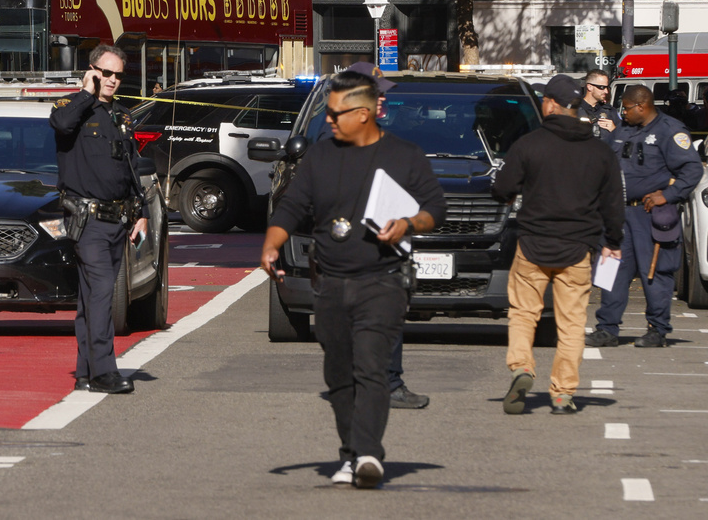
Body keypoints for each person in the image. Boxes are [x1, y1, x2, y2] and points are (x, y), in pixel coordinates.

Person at [260, 68, 446, 489]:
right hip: (330, 283)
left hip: (381, 281)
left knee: (371, 368)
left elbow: (437, 208)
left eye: (335, 113)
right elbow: (291, 209)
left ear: (363, 114)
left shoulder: (404, 155)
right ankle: (350, 450)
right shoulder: (321, 156)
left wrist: (409, 223)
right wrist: (272, 243)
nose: (328, 120)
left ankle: (368, 455)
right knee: (339, 376)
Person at [491, 75, 624, 415]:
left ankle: (522, 367)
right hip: (578, 248)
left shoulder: (529, 144)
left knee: (523, 314)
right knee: (571, 323)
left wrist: (512, 192)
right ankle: (563, 394)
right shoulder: (599, 151)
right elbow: (613, 203)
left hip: (533, 244)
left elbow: (503, 188)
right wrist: (613, 241)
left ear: (549, 103)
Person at [50, 45, 149, 395]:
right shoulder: (71, 107)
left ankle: (85, 370)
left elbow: (130, 169)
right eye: (106, 73)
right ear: (91, 71)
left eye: (118, 75)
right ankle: (105, 371)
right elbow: (61, 125)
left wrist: (141, 213)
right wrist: (85, 92)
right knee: (103, 292)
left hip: (117, 221)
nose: (112, 80)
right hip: (86, 221)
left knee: (91, 297)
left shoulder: (122, 115)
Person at [586, 84, 703, 349]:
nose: (622, 113)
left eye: (626, 108)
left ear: (642, 106)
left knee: (656, 273)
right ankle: (607, 328)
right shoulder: (623, 130)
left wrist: (670, 195)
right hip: (617, 213)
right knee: (610, 271)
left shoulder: (670, 131)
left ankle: (657, 329)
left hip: (649, 214)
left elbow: (692, 170)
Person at [577, 68, 620, 143]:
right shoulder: (574, 111)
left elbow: (622, 140)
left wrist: (614, 130)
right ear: (589, 87)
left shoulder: (610, 111)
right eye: (602, 87)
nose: (606, 91)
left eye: (607, 87)